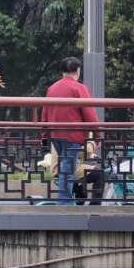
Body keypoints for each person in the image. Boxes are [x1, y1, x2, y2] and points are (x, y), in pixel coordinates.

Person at [41, 57, 99, 205]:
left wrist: (44, 137)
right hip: (72, 137)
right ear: (78, 71)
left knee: (66, 168)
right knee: (67, 170)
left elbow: (45, 116)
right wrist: (97, 136)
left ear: (62, 72)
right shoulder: (80, 89)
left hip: (56, 136)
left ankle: (66, 201)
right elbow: (90, 115)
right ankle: (64, 204)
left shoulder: (52, 89)